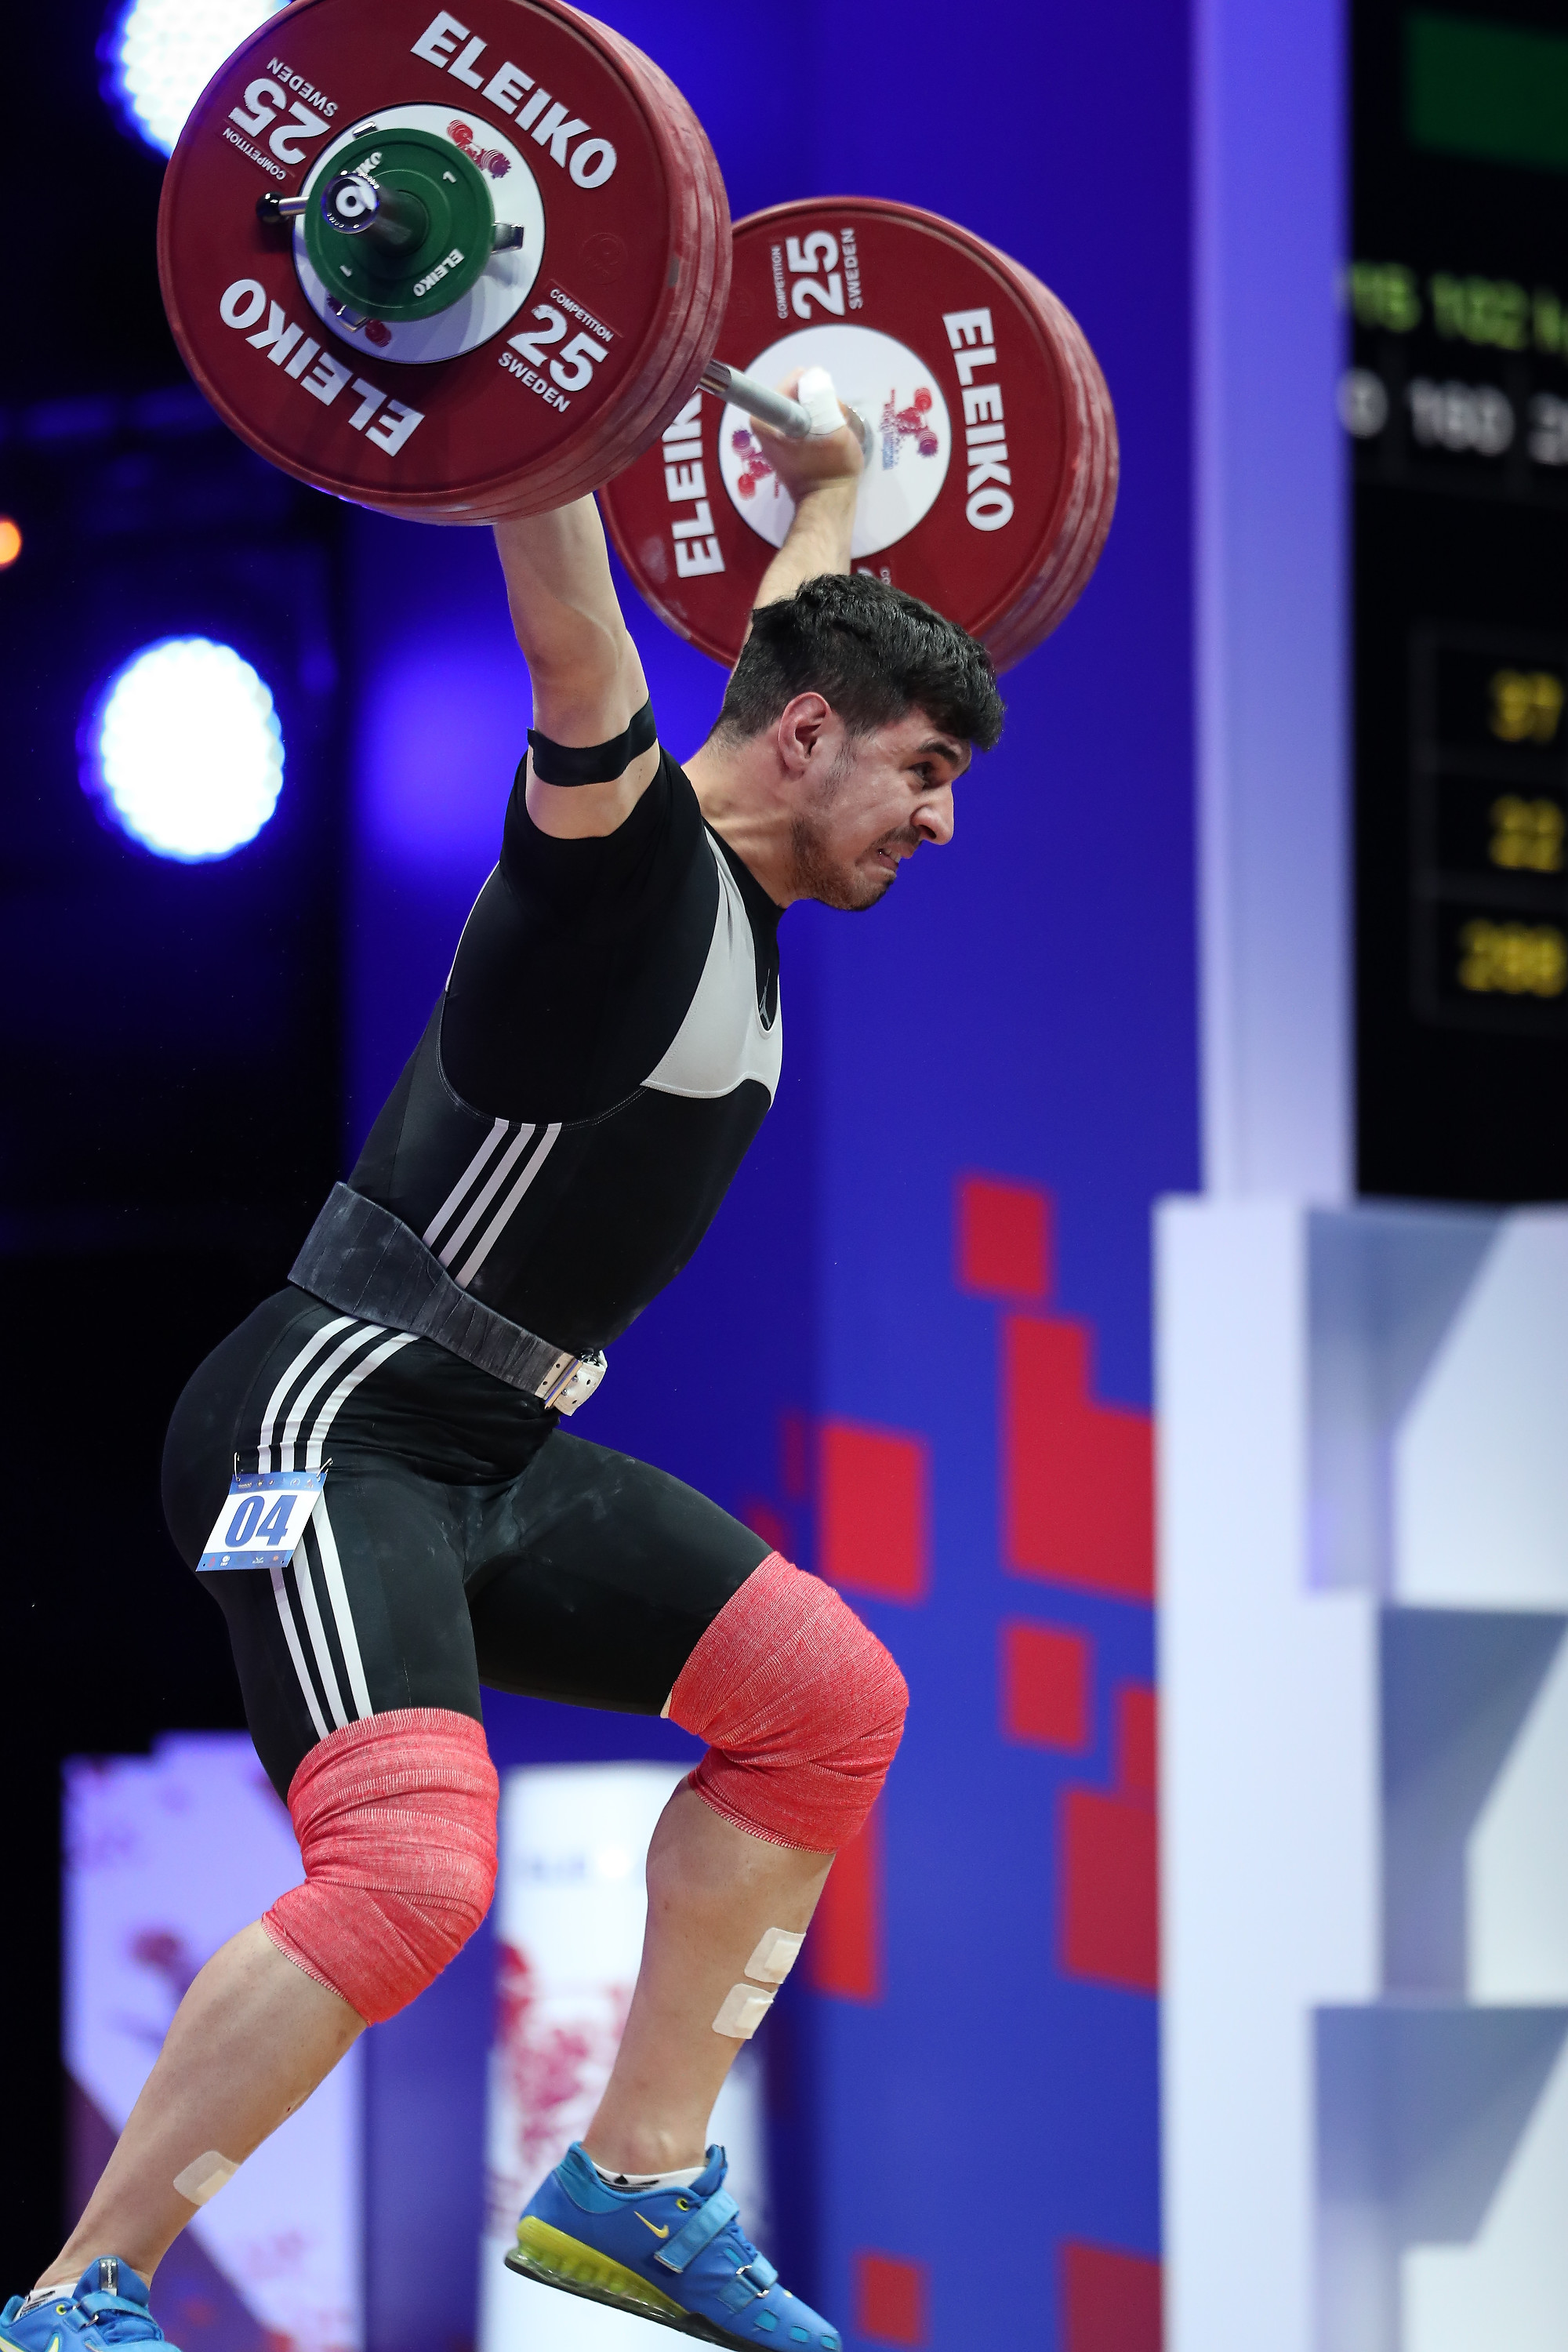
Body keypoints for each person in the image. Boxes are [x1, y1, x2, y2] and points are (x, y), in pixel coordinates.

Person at [2, 381, 1004, 2352]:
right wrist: (530, 372)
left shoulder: (751, 850)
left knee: (825, 1705)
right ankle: (79, 2296)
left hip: (495, 1441)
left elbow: (792, 645)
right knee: (410, 1873)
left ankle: (632, 2182)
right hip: (333, 1410)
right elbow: (573, 623)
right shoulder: (620, 864)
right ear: (810, 745)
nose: (938, 820)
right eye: (926, 771)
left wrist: (823, 495)